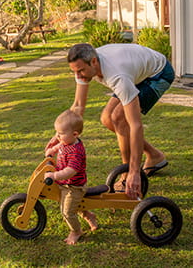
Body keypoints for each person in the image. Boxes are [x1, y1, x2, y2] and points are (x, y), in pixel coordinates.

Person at [66, 43, 174, 200]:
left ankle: (126, 176)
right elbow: (78, 106)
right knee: (106, 118)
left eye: (81, 70)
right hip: (135, 72)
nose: (78, 75)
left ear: (94, 62)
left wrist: (134, 172)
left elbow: (135, 125)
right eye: (75, 71)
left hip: (158, 74)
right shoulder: (85, 67)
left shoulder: (117, 76)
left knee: (119, 118)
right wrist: (60, 135)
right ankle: (154, 155)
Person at [43, 110, 98, 245]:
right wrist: (52, 151)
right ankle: (89, 215)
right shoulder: (67, 141)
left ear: (75, 134)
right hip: (65, 183)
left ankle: (76, 231)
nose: (57, 136)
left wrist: (54, 175)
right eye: (57, 132)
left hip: (74, 186)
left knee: (67, 211)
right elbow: (59, 146)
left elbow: (70, 170)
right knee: (76, 205)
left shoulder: (76, 151)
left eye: (60, 134)